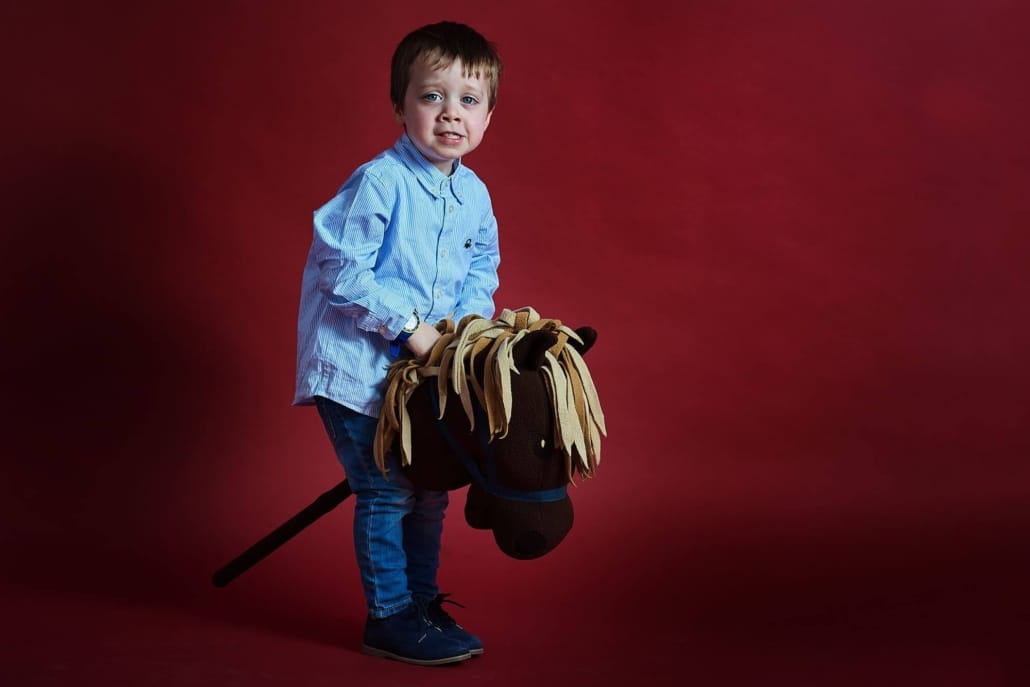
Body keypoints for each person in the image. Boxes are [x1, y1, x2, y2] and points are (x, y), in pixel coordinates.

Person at [293, 21, 502, 666]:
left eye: (468, 101)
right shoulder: (380, 181)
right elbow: (342, 270)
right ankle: (387, 617)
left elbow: (481, 269)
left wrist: (465, 334)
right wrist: (411, 327)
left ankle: (421, 605)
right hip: (358, 366)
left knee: (429, 488)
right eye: (431, 96)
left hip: (422, 374)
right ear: (399, 104)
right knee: (387, 490)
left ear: (489, 115)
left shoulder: (473, 193)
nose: (450, 114)